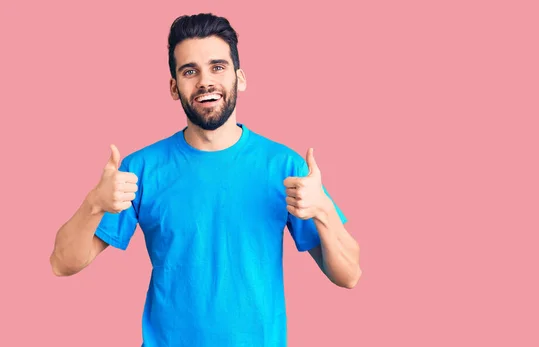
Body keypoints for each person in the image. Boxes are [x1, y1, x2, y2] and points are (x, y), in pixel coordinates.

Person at [49, 12, 361, 347]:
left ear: (239, 78)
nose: (205, 82)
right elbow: (61, 264)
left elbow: (349, 275)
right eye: (189, 71)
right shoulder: (139, 169)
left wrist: (324, 212)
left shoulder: (285, 167)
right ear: (173, 87)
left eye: (217, 67)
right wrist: (94, 203)